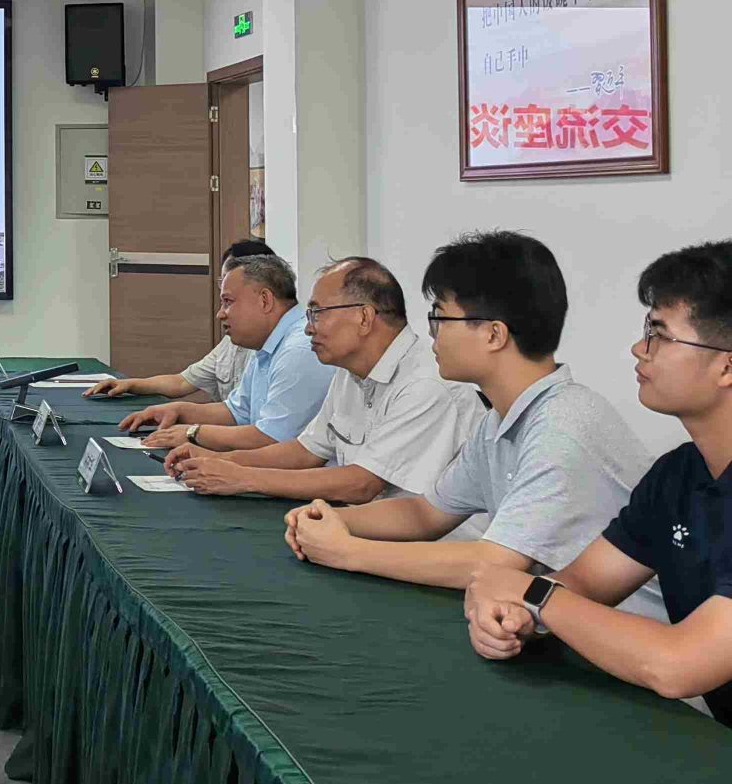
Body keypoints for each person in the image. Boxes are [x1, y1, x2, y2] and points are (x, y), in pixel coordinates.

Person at [464, 241, 732, 784]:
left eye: (659, 333)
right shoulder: (680, 473)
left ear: (729, 367)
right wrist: (511, 615)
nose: (638, 348)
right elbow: (585, 581)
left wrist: (528, 591)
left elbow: (677, 665)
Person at [284, 231, 656, 601]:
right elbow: (425, 513)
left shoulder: (561, 428)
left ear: (494, 335)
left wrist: (347, 552)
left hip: (615, 625)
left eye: (440, 319)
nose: (432, 335)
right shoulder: (500, 421)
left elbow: (493, 563)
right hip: (538, 618)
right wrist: (330, 518)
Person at [165, 257, 479, 500]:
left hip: (432, 551)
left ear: (364, 317)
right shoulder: (350, 372)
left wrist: (242, 478)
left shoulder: (425, 384)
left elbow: (362, 484)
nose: (308, 328)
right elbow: (306, 451)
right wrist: (222, 461)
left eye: (318, 313)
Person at [122, 254, 330, 453]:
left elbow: (271, 438)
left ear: (265, 300)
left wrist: (193, 433)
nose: (220, 314)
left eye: (228, 302)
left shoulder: (299, 350)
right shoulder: (268, 343)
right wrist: (178, 410)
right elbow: (236, 412)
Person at [87, 238, 273, 406]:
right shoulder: (232, 341)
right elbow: (182, 382)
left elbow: (247, 418)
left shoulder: (274, 350)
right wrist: (130, 384)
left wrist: (187, 421)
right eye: (222, 281)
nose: (220, 313)